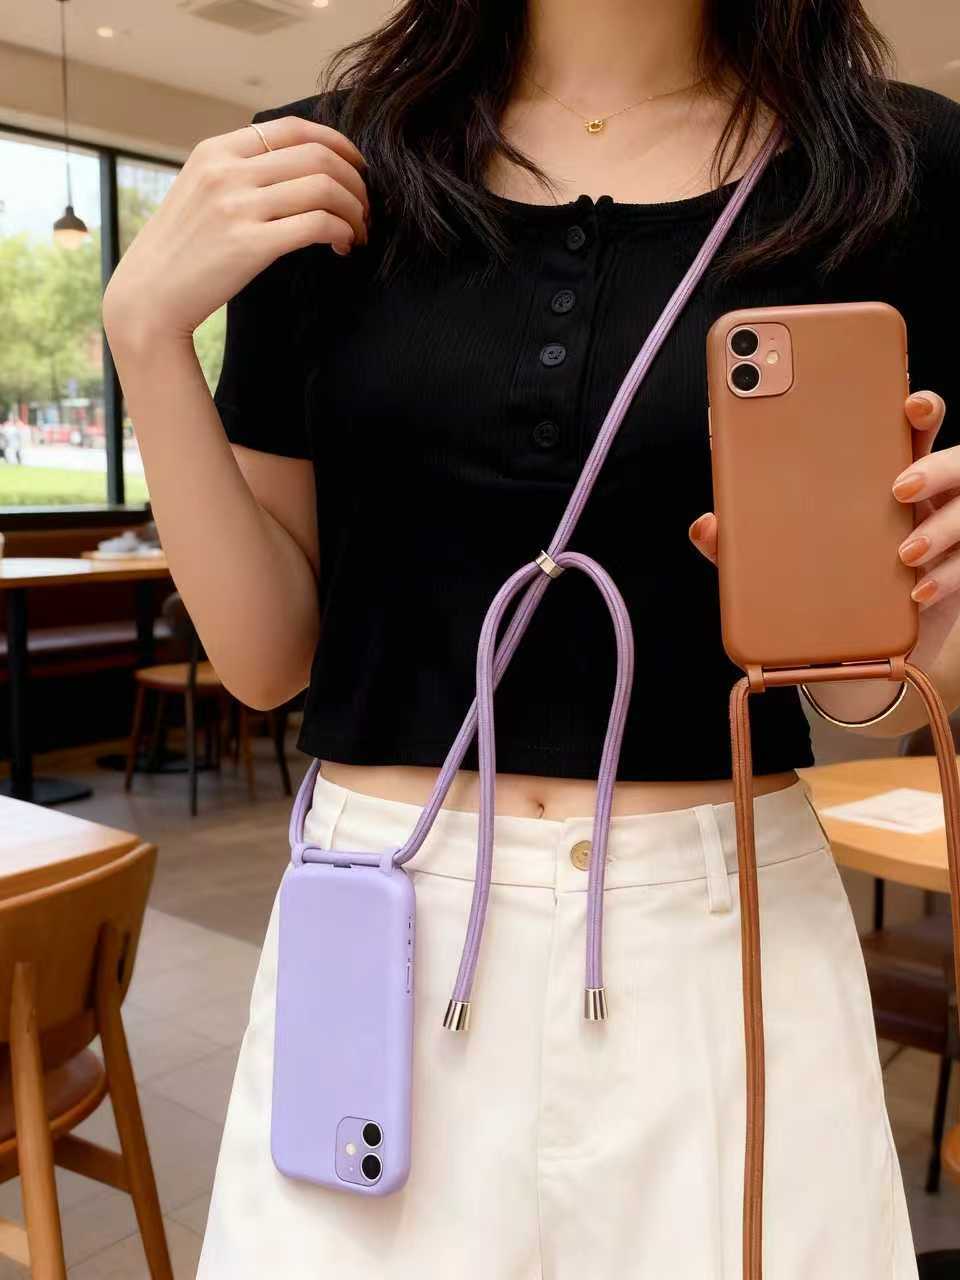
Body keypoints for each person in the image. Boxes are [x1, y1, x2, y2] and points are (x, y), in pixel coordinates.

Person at [103, 1, 960, 1275]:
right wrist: (145, 337)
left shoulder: (896, 167)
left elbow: (861, 696)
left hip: (722, 930)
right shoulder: (316, 171)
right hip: (379, 924)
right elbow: (269, 657)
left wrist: (925, 624)